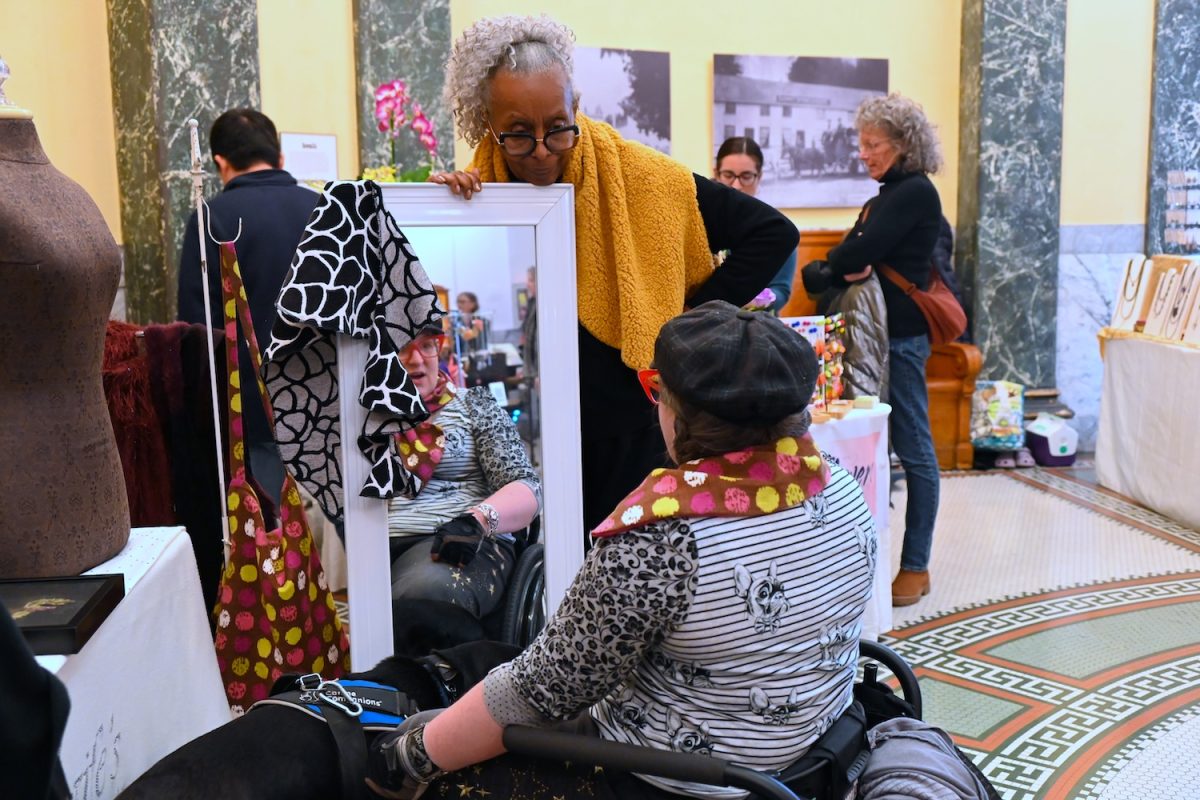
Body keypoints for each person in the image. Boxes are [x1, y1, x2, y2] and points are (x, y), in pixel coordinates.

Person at [366, 300, 876, 800]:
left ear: (679, 410)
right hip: (811, 750)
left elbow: (546, 689)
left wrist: (412, 754)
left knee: (441, 778)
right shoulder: (838, 482)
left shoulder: (666, 537)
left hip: (677, 777)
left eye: (657, 391)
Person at [432, 15, 798, 534]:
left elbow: (773, 232)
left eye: (558, 127)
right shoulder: (486, 185)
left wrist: (688, 318)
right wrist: (454, 203)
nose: (541, 151)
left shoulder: (645, 177)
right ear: (486, 124)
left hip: (633, 424)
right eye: (518, 134)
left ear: (575, 107)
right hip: (536, 425)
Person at [800, 93, 944, 606]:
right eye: (861, 144)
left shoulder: (913, 192)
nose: (864, 154)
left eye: (873, 144)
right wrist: (837, 263)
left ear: (903, 145)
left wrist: (836, 263)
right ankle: (868, 559)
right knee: (875, 448)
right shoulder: (886, 195)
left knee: (915, 450)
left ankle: (916, 565)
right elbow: (842, 260)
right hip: (874, 338)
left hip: (899, 341)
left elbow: (853, 253)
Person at [177, 108, 319, 504]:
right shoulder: (324, 208)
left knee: (275, 534)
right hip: (330, 402)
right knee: (339, 541)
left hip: (256, 410)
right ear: (280, 157)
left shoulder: (212, 217)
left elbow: (197, 329)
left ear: (220, 162)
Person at [387, 324, 541, 620]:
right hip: (377, 541)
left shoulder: (473, 405)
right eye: (403, 346)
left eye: (428, 345)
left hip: (458, 541)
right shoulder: (366, 417)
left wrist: (478, 520)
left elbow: (526, 486)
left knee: (428, 594)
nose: (417, 359)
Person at [714, 136, 796, 312]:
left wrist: (756, 300)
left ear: (759, 177)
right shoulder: (700, 224)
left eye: (746, 176)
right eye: (728, 175)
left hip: (756, 328)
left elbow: (781, 290)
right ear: (716, 174)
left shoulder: (776, 228)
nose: (736, 185)